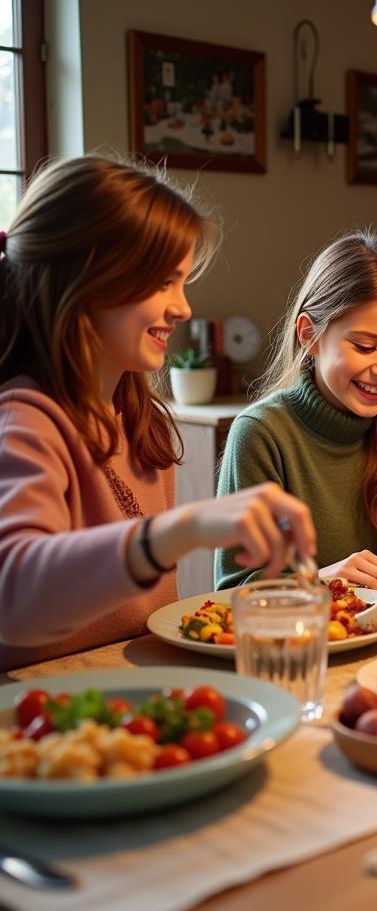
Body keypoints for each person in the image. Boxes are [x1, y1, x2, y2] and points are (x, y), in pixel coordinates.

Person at [0, 156, 315, 672]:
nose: (183, 307)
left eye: (182, 282)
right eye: (164, 283)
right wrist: (178, 529)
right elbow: (13, 601)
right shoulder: (25, 419)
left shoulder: (139, 418)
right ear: (88, 281)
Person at [215, 231, 377, 593]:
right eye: (365, 347)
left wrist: (367, 580)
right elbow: (234, 589)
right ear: (309, 335)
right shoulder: (260, 434)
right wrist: (324, 580)